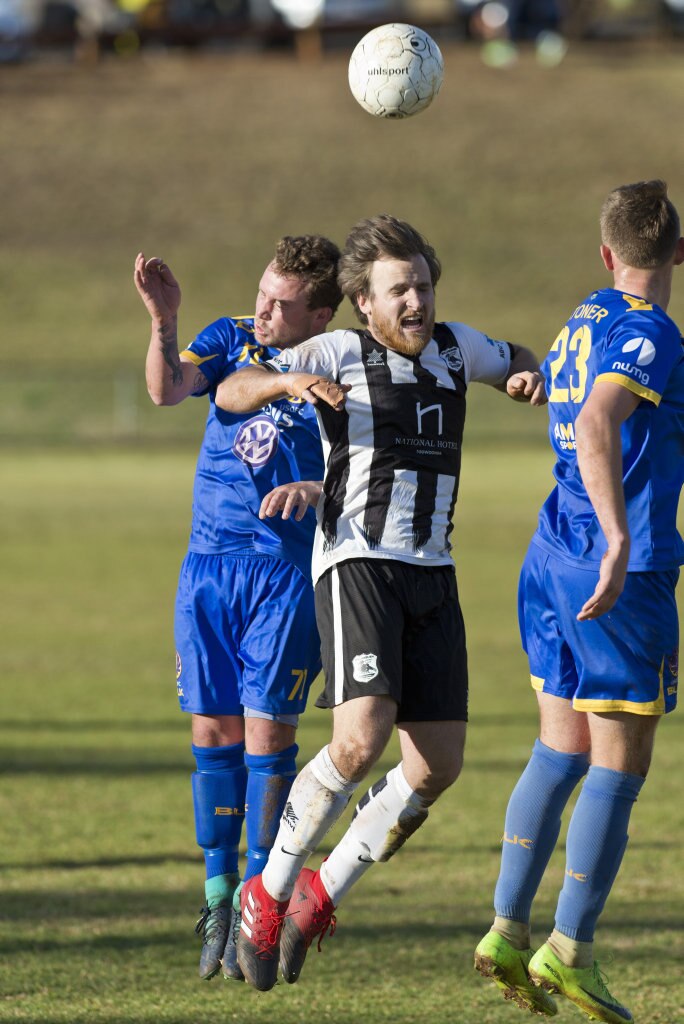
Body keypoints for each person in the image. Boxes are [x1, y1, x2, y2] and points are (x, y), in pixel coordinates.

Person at [215, 213, 546, 991]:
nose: (417, 301)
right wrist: (287, 379)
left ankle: (315, 898)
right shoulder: (337, 350)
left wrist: (525, 375)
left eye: (424, 285)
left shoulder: (459, 349)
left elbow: (518, 357)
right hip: (358, 560)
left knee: (437, 768)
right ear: (363, 300)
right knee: (360, 740)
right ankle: (264, 892)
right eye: (400, 289)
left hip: (434, 570)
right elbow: (233, 390)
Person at [474, 179, 684, 1024]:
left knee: (558, 748)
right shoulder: (650, 332)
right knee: (619, 765)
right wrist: (622, 535)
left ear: (606, 253)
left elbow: (575, 405)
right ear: (677, 254)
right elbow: (598, 421)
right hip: (614, 571)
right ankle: (570, 950)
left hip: (550, 556)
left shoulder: (585, 315)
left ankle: (503, 930)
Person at [133, 235, 343, 982]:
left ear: (320, 314)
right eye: (261, 293)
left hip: (284, 577)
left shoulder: (344, 369)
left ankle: (264, 896)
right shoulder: (230, 339)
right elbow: (172, 390)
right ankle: (219, 898)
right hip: (208, 570)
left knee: (265, 737)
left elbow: (374, 468)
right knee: (212, 731)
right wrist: (165, 320)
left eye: (280, 305)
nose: (262, 310)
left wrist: (322, 491)